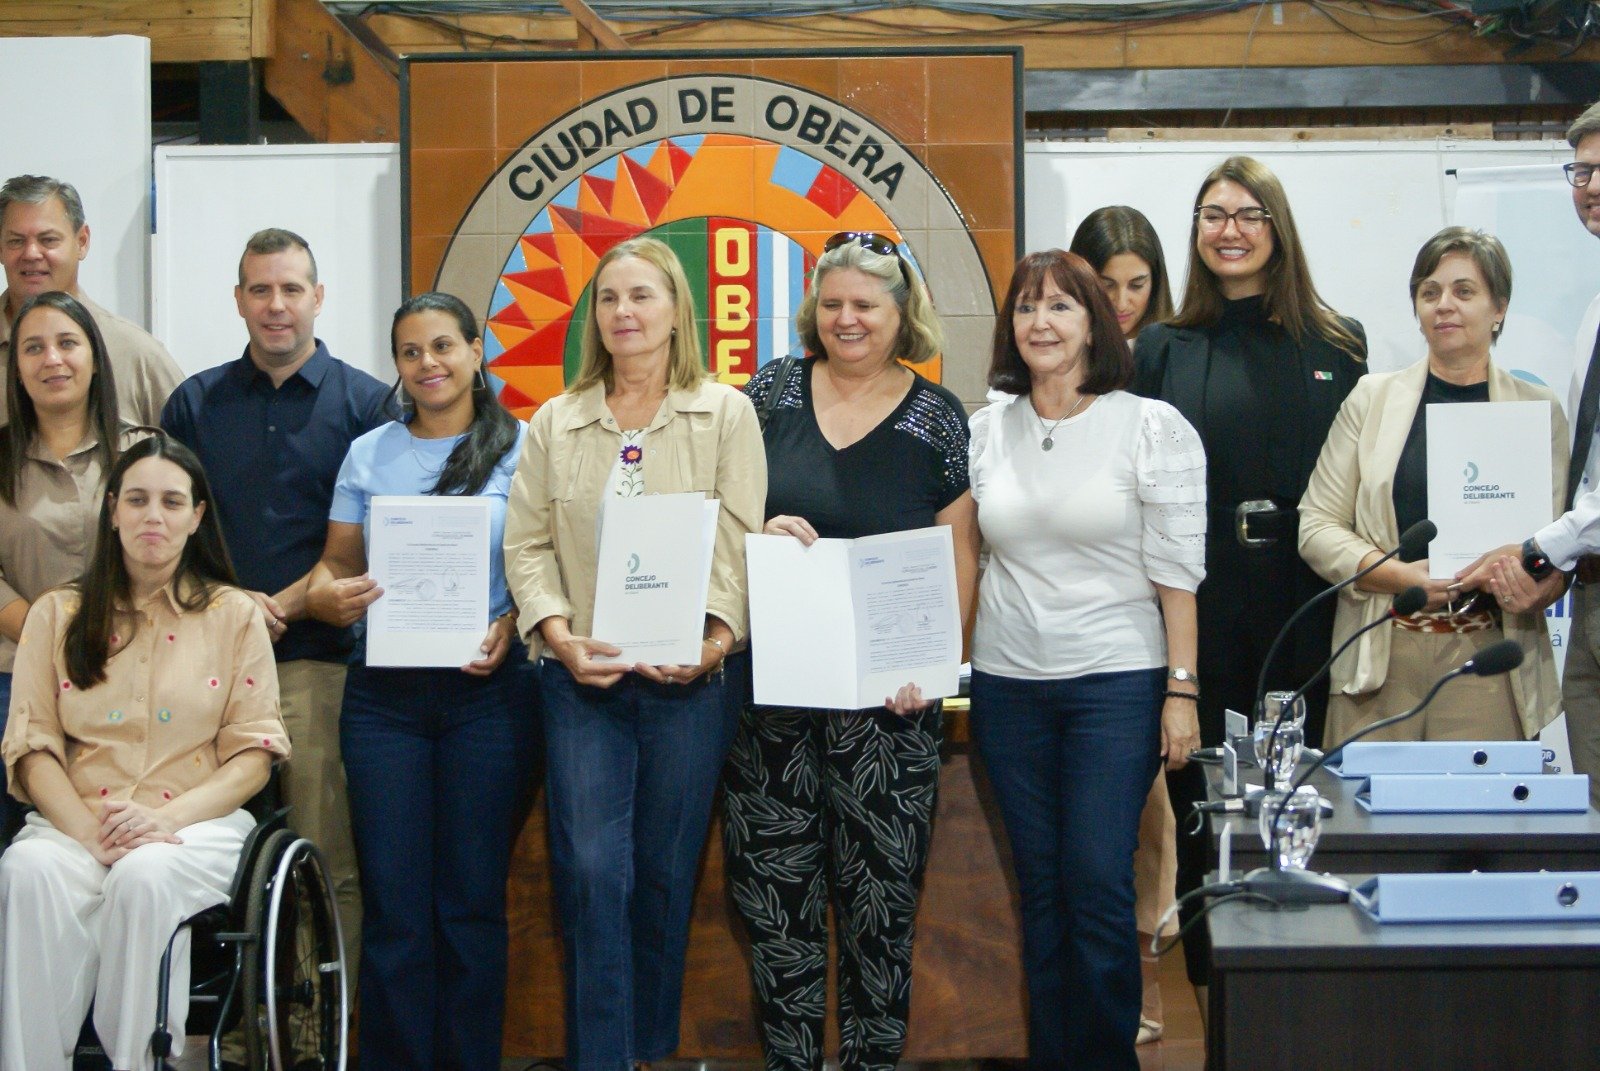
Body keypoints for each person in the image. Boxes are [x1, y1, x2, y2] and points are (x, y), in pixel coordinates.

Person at [502, 236, 764, 1071]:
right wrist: (556, 635)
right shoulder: (555, 419)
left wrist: (714, 638)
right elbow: (528, 545)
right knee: (588, 871)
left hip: (692, 684)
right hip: (584, 680)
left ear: (676, 310)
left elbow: (740, 537)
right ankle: (603, 1059)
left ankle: (646, 1050)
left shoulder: (725, 413)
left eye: (641, 296)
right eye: (609, 298)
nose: (624, 312)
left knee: (664, 873)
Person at [726, 231, 978, 1071]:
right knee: (776, 905)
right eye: (831, 304)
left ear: (901, 314)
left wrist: (937, 670)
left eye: (865, 304)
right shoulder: (768, 392)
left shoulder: (937, 415)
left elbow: (960, 557)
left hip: (890, 710)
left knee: (880, 908)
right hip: (771, 701)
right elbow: (722, 514)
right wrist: (758, 528)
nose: (846, 319)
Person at [1131, 155, 1366, 998]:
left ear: (1277, 229)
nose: (1229, 229)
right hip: (1198, 605)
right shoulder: (1161, 347)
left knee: (1294, 801)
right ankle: (1211, 990)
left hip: (1302, 603)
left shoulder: (1337, 343)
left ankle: (1294, 992)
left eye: (1248, 213)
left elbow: (1355, 486)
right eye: (1212, 214)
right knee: (1204, 810)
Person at [969, 249, 1203, 1070]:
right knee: (1040, 890)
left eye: (1061, 307)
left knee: (1098, 882)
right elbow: (963, 556)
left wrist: (1182, 689)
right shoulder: (984, 428)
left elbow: (1177, 575)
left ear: (1093, 323)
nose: (1041, 322)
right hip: (1008, 687)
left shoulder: (1149, 425)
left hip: (1116, 683)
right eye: (1027, 307)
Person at [0, 434, 289, 1071]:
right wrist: (86, 831)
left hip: (196, 824)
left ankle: (136, 1062)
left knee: (143, 874)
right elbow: (31, 746)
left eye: (170, 501)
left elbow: (254, 755)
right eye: (136, 500)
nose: (152, 516)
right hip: (79, 821)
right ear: (112, 511)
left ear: (196, 517)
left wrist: (165, 821)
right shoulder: (57, 613)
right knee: (26, 873)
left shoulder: (234, 616)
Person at [305, 291, 535, 1071]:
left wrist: (512, 623)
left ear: (477, 350)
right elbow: (338, 562)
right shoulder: (370, 452)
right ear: (396, 365)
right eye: (410, 351)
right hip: (385, 698)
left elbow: (546, 564)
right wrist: (325, 593)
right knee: (397, 906)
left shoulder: (525, 448)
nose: (428, 363)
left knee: (469, 904)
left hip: (489, 695)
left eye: (443, 346)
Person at [161, 227, 389, 977]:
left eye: (292, 288)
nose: (276, 305)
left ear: (319, 297)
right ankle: (237, 1036)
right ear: (238, 300)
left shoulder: (368, 405)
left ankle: (323, 1040)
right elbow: (169, 530)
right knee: (208, 860)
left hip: (316, 669)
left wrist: (277, 606)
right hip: (205, 675)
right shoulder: (194, 403)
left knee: (325, 862)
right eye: (260, 289)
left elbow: (370, 540)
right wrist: (232, 604)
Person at [1300, 228, 1565, 743]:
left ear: (1499, 309)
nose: (1444, 305)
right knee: (1364, 821)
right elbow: (1316, 526)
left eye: (1464, 292)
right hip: (1381, 653)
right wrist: (1399, 575)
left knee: (1480, 825)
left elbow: (1557, 547)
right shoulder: (1370, 399)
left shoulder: (1537, 410)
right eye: (1429, 292)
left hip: (1487, 656)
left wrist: (1538, 582)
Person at [1461, 101, 1600, 809]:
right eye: (1581, 169)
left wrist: (1544, 550)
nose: (1592, 185)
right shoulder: (1592, 316)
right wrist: (1560, 563)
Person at [1069, 205, 1181, 1045]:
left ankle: (1137, 983)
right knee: (1109, 837)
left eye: (1138, 285)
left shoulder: (1170, 363)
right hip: (1075, 623)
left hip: (1155, 612)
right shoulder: (1045, 367)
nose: (1123, 301)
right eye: (1105, 285)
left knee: (1152, 821)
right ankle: (1113, 1000)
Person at [0, 292, 148, 839]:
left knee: (117, 838)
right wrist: (49, 634)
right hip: (13, 677)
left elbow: (172, 555)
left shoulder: (144, 454)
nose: (52, 360)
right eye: (33, 348)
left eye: (67, 343)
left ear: (94, 356)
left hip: (126, 673)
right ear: (16, 367)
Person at [0, 176, 181, 426]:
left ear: (82, 241)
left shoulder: (136, 355)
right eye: (16, 241)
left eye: (48, 240)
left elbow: (186, 459)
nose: (31, 253)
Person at [1071, 205, 1175, 342]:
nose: (1121, 304)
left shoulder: (1176, 351)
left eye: (1136, 285)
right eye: (1106, 285)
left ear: (1155, 282)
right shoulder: (1054, 354)